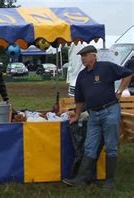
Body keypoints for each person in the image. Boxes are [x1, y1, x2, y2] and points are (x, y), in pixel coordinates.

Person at [62, 45, 132, 189]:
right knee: (90, 146)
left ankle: (109, 181)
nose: (83, 58)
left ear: (94, 56)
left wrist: (119, 91)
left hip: (110, 111)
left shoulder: (106, 67)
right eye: (81, 56)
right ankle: (82, 178)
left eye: (85, 55)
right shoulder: (82, 76)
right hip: (93, 114)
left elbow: (128, 73)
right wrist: (76, 115)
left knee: (111, 145)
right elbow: (80, 100)